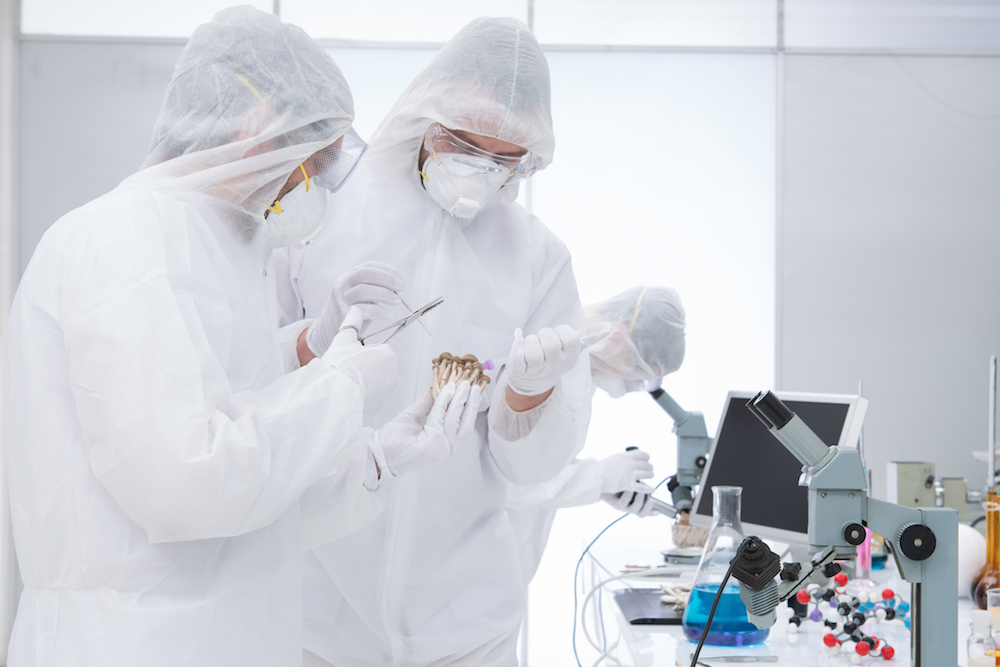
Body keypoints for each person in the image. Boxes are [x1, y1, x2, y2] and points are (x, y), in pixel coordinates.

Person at [1, 7, 479, 667]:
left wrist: (376, 455)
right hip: (133, 645)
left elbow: (255, 497)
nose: (307, 189)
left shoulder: (216, 245)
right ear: (257, 128)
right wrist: (340, 386)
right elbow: (189, 484)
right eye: (310, 165)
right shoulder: (124, 240)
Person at [273, 17, 594, 667]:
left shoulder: (536, 257)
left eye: (503, 161)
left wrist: (530, 396)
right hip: (316, 610)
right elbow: (248, 382)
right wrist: (313, 340)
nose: (479, 172)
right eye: (463, 146)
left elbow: (532, 469)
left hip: (465, 623)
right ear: (428, 118)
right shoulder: (324, 212)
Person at [506, 286, 687, 585]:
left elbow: (544, 466)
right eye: (637, 372)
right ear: (617, 338)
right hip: (474, 568)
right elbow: (508, 481)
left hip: (508, 567)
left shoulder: (583, 372)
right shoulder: (543, 359)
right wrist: (598, 477)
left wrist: (602, 489)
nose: (630, 385)